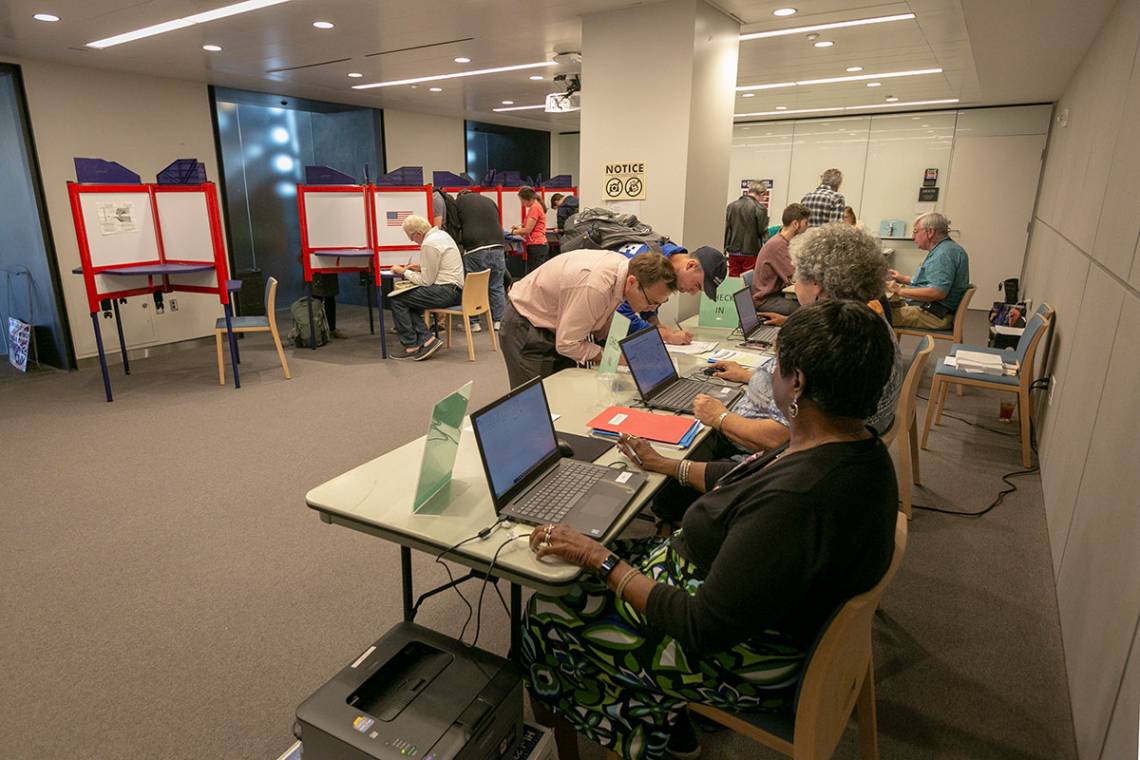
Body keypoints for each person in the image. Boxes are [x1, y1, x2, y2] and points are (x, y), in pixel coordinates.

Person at [521, 299, 899, 760]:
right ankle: (664, 719)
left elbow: (701, 627)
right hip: (759, 609)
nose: (771, 374)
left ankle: (642, 730)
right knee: (605, 545)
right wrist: (668, 465)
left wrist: (597, 558)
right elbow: (749, 478)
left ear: (797, 382)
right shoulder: (851, 445)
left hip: (744, 657)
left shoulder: (799, 500)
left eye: (776, 365)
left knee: (548, 611)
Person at [701, 223, 905, 455]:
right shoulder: (865, 324)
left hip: (761, 458)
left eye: (797, 276)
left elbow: (783, 437)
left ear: (816, 284)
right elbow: (813, 391)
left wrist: (719, 417)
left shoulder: (831, 340)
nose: (793, 283)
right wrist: (749, 376)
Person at [500, 250, 677, 389]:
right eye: (651, 302)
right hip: (526, 326)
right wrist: (612, 357)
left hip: (555, 328)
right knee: (537, 404)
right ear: (632, 283)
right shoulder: (596, 287)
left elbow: (601, 323)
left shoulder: (623, 272)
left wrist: (632, 354)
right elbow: (568, 343)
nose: (651, 309)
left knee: (562, 395)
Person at [615, 244, 726, 345]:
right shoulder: (648, 263)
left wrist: (658, 325)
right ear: (691, 265)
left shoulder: (669, 258)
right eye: (696, 285)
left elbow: (648, 302)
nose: (692, 292)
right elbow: (620, 316)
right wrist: (665, 335)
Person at [388, 215, 464, 361]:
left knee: (397, 299)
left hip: (445, 291)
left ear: (418, 233)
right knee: (410, 302)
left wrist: (403, 272)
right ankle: (427, 340)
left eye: (411, 237)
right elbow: (438, 268)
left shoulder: (429, 244)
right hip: (454, 290)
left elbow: (426, 281)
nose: (412, 241)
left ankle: (412, 346)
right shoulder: (442, 235)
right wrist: (420, 267)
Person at [886, 212, 970, 330]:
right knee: (883, 304)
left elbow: (937, 292)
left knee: (877, 315)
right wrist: (904, 279)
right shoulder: (946, 249)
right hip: (934, 308)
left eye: (915, 231)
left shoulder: (943, 254)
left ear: (930, 232)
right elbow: (932, 281)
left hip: (934, 314)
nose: (912, 237)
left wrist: (900, 291)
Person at [455, 189, 507, 332]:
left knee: (474, 286)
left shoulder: (459, 202)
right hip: (498, 245)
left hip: (475, 247)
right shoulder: (489, 200)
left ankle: (474, 323)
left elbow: (455, 225)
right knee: (497, 285)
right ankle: (498, 321)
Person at [750, 203, 810, 315]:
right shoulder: (778, 246)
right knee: (806, 311)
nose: (807, 227)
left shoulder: (782, 242)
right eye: (806, 223)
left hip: (773, 295)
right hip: (765, 300)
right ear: (796, 224)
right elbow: (795, 277)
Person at [723, 181, 770, 277]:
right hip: (751, 251)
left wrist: (725, 247)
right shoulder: (760, 208)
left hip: (733, 250)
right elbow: (762, 231)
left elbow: (728, 229)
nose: (763, 199)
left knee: (733, 279)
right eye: (763, 196)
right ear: (761, 193)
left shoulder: (731, 206)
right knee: (748, 280)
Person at [509, 186, 548, 273]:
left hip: (536, 245)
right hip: (539, 245)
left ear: (527, 199)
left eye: (522, 201)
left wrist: (512, 232)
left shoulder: (534, 208)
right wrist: (519, 229)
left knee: (534, 274)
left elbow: (527, 230)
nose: (522, 204)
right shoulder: (537, 206)